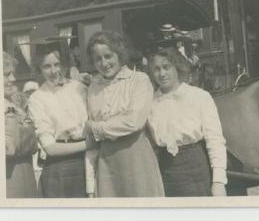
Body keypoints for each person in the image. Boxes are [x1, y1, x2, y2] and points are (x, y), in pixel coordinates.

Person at [84, 30, 164, 197]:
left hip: (136, 158)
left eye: (108, 56)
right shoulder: (93, 87)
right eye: (98, 58)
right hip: (107, 162)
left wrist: (97, 128)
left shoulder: (139, 80)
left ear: (119, 54)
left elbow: (134, 122)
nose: (104, 62)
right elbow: (93, 139)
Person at [147, 46, 227, 197]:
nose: (162, 73)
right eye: (156, 69)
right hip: (164, 171)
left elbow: (215, 140)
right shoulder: (150, 103)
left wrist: (218, 182)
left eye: (166, 67)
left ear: (177, 67)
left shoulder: (199, 97)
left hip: (195, 168)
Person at [28, 47, 94, 198]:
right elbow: (50, 148)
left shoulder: (80, 87)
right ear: (39, 69)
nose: (53, 71)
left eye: (57, 64)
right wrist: (88, 145)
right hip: (63, 167)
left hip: (92, 159)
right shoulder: (37, 99)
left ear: (65, 64)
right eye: (47, 66)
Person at [3, 52, 38, 198]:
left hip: (27, 175)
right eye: (6, 74)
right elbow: (9, 148)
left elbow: (34, 145)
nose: (13, 78)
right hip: (8, 179)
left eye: (13, 73)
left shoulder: (15, 105)